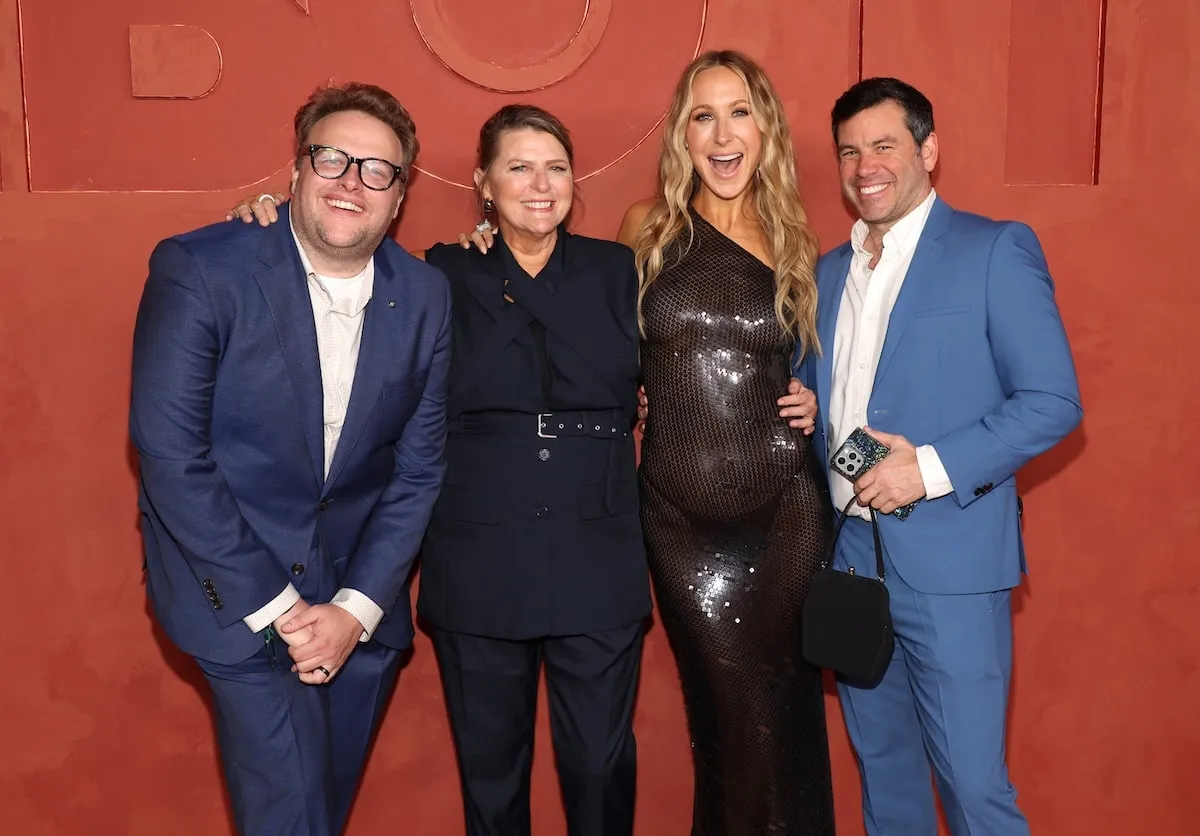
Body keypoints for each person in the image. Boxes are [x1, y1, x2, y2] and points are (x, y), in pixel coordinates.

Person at [227, 104, 651, 836]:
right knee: (491, 777)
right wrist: (267, 218)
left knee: (600, 767)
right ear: (485, 183)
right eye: (519, 167)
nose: (540, 184)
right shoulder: (440, 272)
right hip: (478, 552)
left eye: (556, 168)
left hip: (598, 548)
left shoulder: (616, 269)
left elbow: (662, 366)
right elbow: (330, 265)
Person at [131, 82, 451, 836]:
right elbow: (171, 453)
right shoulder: (201, 269)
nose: (352, 182)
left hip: (360, 616)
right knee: (291, 818)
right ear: (296, 170)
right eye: (332, 158)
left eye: (378, 170)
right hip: (234, 599)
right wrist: (286, 614)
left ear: (399, 196)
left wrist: (352, 611)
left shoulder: (428, 294)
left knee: (317, 815)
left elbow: (418, 469)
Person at [796, 77, 1083, 834]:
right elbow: (829, 395)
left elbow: (1053, 403)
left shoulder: (995, 248)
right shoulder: (828, 272)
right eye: (850, 152)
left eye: (885, 145)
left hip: (954, 566)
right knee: (886, 784)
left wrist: (923, 468)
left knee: (973, 790)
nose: (866, 166)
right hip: (852, 556)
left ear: (928, 150)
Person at [617, 49, 836, 835]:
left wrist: (818, 399)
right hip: (679, 524)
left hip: (786, 513)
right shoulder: (647, 228)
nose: (722, 132)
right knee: (723, 719)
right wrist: (487, 239)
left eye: (738, 110)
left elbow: (843, 365)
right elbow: (578, 320)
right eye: (702, 115)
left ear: (765, 127)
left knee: (783, 722)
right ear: (683, 134)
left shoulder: (794, 238)